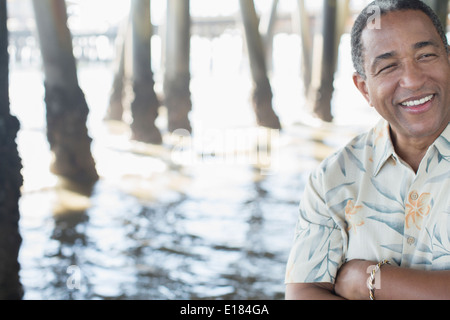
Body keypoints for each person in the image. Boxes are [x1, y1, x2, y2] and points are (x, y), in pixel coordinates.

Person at [285, 0, 450, 300]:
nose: (413, 80)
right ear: (364, 89)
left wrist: (368, 280)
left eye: (426, 55)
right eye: (388, 66)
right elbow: (303, 293)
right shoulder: (332, 180)